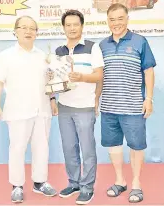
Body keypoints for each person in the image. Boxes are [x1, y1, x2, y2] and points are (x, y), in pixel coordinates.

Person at [0, 16, 57, 203]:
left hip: (42, 110)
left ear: (37, 32)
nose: (28, 31)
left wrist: (52, 100)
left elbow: (49, 81)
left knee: (42, 148)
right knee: (17, 149)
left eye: (32, 28)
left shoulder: (43, 56)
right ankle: (17, 185)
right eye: (24, 28)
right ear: (16, 31)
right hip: (17, 111)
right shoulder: (5, 56)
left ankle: (40, 182)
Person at [97, 3, 156, 203]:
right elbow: (99, 75)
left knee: (136, 145)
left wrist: (148, 98)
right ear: (107, 21)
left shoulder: (140, 41)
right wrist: (96, 99)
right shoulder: (102, 45)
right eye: (112, 19)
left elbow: (148, 71)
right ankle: (120, 181)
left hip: (133, 107)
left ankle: (136, 184)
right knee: (113, 145)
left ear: (127, 19)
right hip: (109, 108)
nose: (116, 23)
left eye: (120, 18)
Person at [55, 9, 104, 205]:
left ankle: (87, 187)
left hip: (85, 107)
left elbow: (99, 75)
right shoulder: (58, 51)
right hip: (64, 106)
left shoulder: (93, 47)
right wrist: (52, 95)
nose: (72, 28)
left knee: (87, 149)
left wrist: (82, 77)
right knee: (69, 148)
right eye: (68, 25)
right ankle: (74, 182)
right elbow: (53, 78)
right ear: (64, 28)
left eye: (76, 24)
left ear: (82, 26)